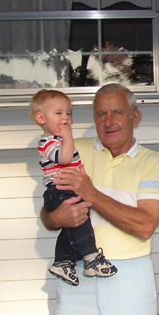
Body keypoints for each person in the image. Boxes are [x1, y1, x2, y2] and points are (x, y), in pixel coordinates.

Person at [39, 83, 159, 315]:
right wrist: (56, 217)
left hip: (128, 274)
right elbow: (48, 214)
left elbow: (145, 225)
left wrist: (91, 194)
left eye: (117, 113)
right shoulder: (72, 151)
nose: (108, 122)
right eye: (100, 114)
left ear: (135, 117)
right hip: (76, 272)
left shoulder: (153, 162)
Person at [30, 90, 117, 287]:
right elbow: (65, 158)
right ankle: (91, 257)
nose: (66, 119)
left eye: (68, 114)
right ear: (41, 118)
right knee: (80, 220)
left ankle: (62, 261)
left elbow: (72, 163)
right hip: (59, 190)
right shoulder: (48, 143)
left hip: (66, 188)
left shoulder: (59, 141)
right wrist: (68, 137)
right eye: (59, 113)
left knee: (72, 223)